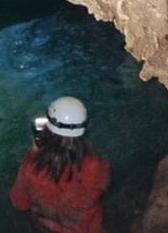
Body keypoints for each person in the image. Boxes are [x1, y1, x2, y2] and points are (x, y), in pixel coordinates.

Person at [9, 96, 111, 232]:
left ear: (49, 128)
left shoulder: (32, 166)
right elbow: (100, 186)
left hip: (46, 228)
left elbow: (19, 203)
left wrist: (34, 155)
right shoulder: (97, 166)